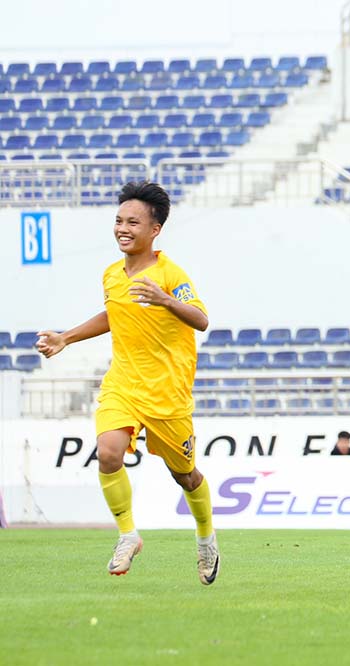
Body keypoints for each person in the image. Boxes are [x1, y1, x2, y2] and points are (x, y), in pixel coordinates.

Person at [36, 181, 220, 585]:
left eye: (133, 222)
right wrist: (66, 337)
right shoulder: (112, 275)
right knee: (108, 453)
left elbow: (201, 318)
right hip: (123, 384)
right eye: (119, 220)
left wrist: (166, 300)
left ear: (154, 230)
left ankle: (206, 537)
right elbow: (113, 315)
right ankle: (128, 535)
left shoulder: (170, 274)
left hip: (168, 393)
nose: (123, 228)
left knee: (185, 476)